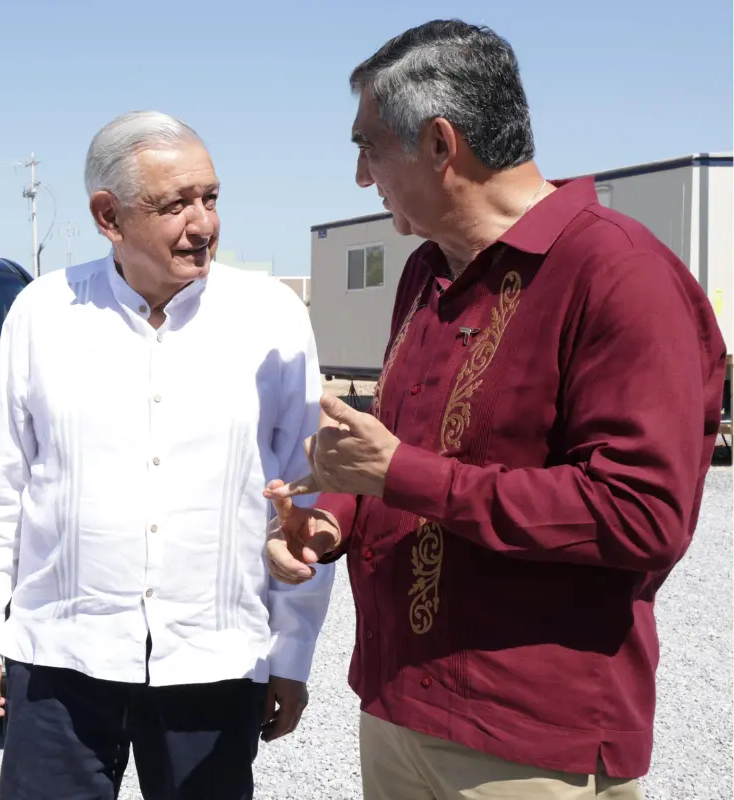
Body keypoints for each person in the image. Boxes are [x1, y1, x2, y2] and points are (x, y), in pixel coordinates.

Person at [265, 19, 729, 800]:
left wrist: (402, 474)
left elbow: (642, 514)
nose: (360, 176)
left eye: (368, 145)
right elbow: (401, 451)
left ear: (441, 144)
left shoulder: (619, 275)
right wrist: (335, 515)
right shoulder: (426, 275)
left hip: (524, 744)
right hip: (396, 707)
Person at [0, 110, 334, 799]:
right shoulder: (42, 313)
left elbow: (305, 495)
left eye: (210, 198)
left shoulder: (271, 317)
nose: (204, 223)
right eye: (175, 204)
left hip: (213, 663)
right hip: (60, 663)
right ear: (108, 215)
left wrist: (292, 653)